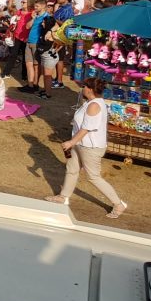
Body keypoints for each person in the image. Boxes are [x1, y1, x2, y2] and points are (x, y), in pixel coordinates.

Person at [45, 77, 127, 218]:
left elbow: (87, 128)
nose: (82, 88)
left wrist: (71, 142)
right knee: (72, 170)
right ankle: (63, 197)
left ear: (89, 89)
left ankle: (118, 204)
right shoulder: (89, 102)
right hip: (80, 143)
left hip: (90, 147)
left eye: (84, 86)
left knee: (93, 177)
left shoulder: (94, 105)